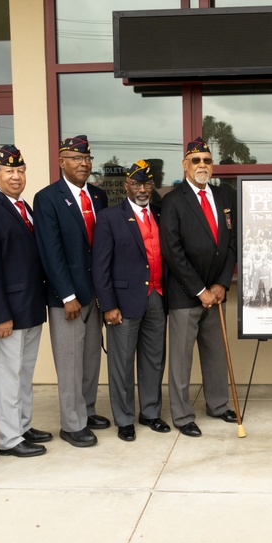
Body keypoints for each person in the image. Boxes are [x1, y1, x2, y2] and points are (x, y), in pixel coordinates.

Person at [0, 145, 50, 459]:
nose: (16, 176)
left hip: (28, 308)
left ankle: (22, 426)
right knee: (6, 376)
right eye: (9, 171)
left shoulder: (22, 207)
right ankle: (9, 439)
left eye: (20, 170)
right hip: (6, 315)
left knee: (22, 375)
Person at [33, 135, 111, 448]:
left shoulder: (99, 196)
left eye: (87, 159)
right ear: (62, 161)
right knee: (69, 361)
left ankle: (87, 410)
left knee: (91, 357)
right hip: (67, 297)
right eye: (76, 159)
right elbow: (50, 251)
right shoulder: (48, 198)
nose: (84, 164)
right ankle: (71, 422)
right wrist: (66, 295)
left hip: (94, 292)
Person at [159, 137, 237, 437]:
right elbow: (172, 250)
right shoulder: (173, 200)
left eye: (206, 160)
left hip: (216, 293)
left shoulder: (223, 196)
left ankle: (218, 405)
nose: (202, 165)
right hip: (185, 293)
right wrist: (199, 290)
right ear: (185, 165)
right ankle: (182, 414)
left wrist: (220, 284)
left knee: (215, 352)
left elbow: (231, 242)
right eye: (196, 160)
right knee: (181, 357)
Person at [92, 160, 170, 442]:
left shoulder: (161, 214)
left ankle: (150, 412)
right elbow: (100, 266)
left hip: (157, 297)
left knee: (153, 360)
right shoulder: (110, 217)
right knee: (122, 364)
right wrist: (108, 305)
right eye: (136, 184)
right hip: (123, 302)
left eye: (147, 184)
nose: (142, 189)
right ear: (126, 186)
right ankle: (124, 418)